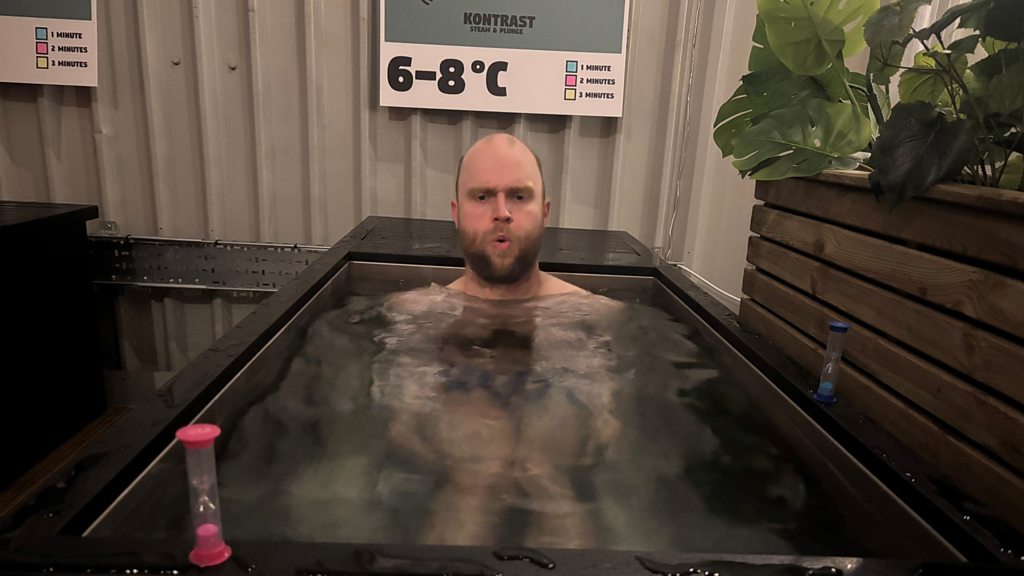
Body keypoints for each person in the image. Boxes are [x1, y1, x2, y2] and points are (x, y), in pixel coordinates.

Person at [447, 133, 583, 300]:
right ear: (456, 213)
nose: (502, 213)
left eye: (519, 197)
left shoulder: (592, 313)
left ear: (545, 213)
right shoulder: (426, 311)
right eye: (482, 197)